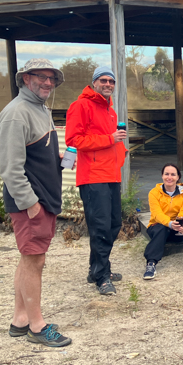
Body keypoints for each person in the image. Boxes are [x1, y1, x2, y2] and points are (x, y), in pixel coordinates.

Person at [0, 58, 71, 347]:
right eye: (41, 77)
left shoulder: (38, 109)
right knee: (34, 261)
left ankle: (20, 319)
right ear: (26, 79)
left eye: (52, 79)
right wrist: (31, 204)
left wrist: (58, 159)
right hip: (32, 203)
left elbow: (34, 155)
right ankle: (38, 327)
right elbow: (11, 168)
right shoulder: (16, 114)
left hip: (42, 200)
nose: (48, 83)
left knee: (28, 258)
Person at [65, 66, 127, 296]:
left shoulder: (110, 110)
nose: (108, 84)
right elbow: (74, 139)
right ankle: (101, 276)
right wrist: (110, 139)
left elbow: (113, 142)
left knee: (113, 224)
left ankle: (97, 269)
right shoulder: (80, 106)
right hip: (92, 176)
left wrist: (121, 152)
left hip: (111, 174)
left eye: (111, 81)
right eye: (103, 80)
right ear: (94, 83)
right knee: (100, 226)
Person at [144, 164, 183, 278]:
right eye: (166, 174)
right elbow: (157, 213)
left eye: (173, 174)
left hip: (178, 228)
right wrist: (169, 223)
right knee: (161, 228)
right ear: (162, 176)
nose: (169, 177)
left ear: (178, 177)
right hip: (158, 226)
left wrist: (181, 222)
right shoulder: (154, 193)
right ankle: (151, 263)